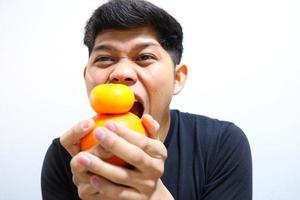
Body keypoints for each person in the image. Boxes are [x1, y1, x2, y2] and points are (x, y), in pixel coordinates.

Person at [41, 0, 252, 199]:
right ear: (86, 78)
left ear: (177, 79)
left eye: (144, 57)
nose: (121, 73)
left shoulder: (221, 144)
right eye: (105, 58)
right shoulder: (66, 156)